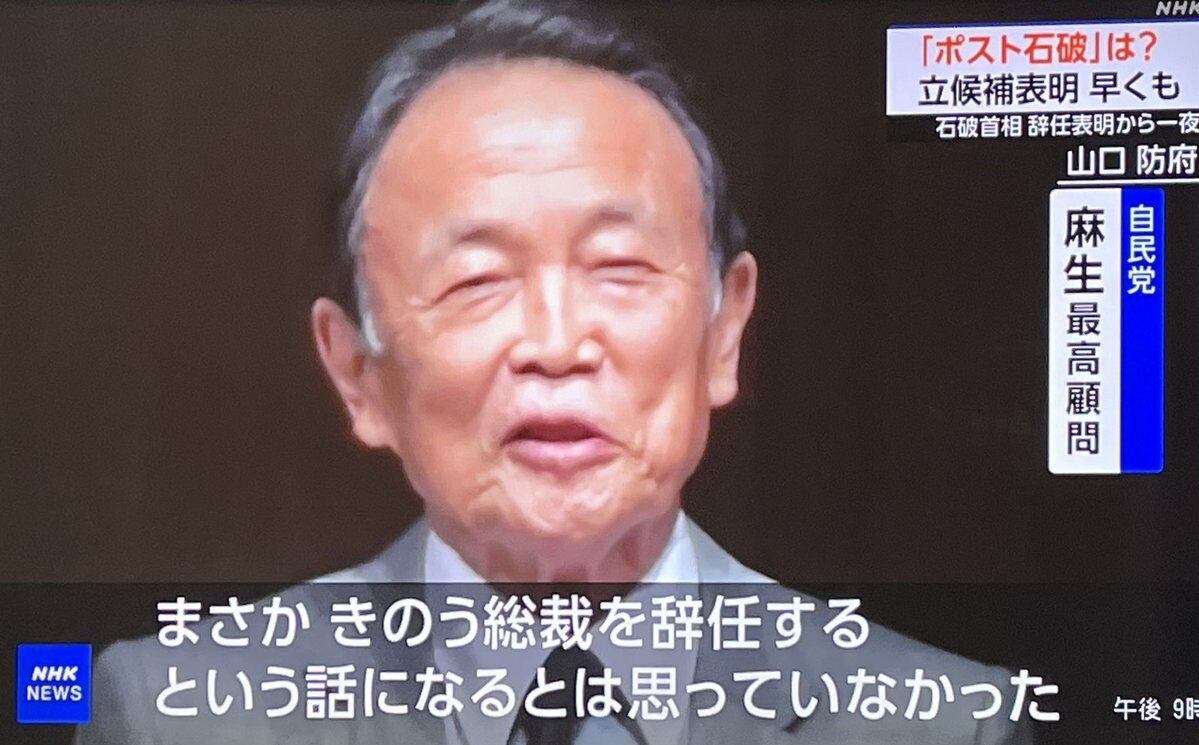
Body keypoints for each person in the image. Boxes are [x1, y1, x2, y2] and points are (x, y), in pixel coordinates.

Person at [77, 2, 1033, 743]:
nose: (557, 341)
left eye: (619, 266)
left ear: (724, 331)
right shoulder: (178, 714)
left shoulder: (939, 723)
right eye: (477, 280)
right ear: (357, 373)